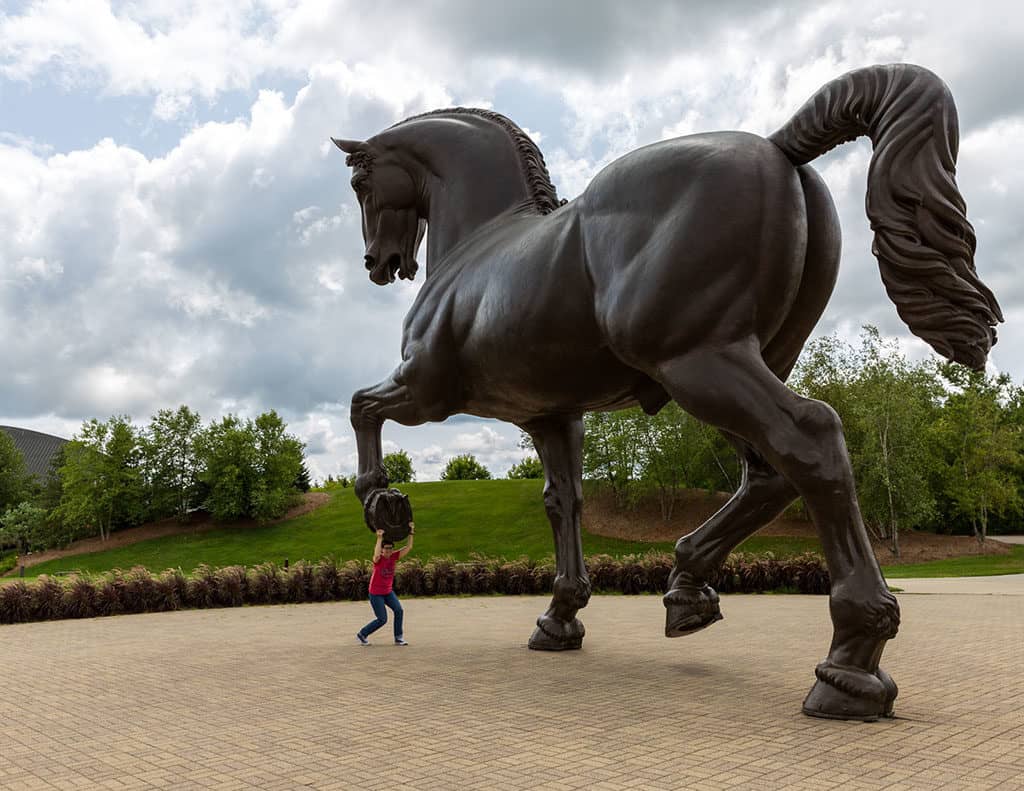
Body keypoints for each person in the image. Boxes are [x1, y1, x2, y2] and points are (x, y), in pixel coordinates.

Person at [356, 521, 414, 646]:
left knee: (399, 610)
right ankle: (362, 634)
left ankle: (398, 638)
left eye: (390, 548)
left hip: (388, 592)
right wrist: (379, 538)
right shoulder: (378, 559)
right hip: (376, 593)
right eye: (386, 548)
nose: (388, 551)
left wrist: (411, 532)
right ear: (382, 550)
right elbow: (376, 553)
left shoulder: (394, 556)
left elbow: (408, 547)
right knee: (382, 619)